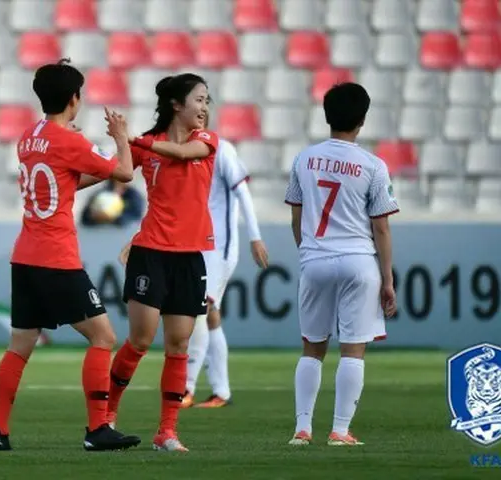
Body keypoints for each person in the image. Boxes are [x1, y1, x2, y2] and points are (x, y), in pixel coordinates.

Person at [0, 59, 141, 452]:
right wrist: (121, 137)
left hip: (24, 257)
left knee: (19, 346)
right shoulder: (71, 141)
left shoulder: (28, 137)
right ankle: (96, 430)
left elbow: (65, 179)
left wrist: (89, 160)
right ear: (75, 99)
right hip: (57, 257)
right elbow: (125, 174)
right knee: (103, 337)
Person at [106, 73, 218, 453]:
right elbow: (114, 170)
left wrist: (131, 139)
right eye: (199, 100)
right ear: (176, 104)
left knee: (178, 345)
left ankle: (166, 432)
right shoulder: (147, 148)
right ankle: (106, 417)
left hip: (189, 258)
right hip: (151, 252)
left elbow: (182, 154)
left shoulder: (206, 141)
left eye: (207, 101)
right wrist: (63, 181)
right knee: (140, 339)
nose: (204, 108)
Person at [284, 83, 398, 447]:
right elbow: (380, 226)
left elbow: (297, 218)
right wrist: (388, 279)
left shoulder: (304, 159)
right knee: (353, 348)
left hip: (315, 259)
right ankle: (339, 430)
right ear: (362, 120)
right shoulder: (373, 165)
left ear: (326, 116)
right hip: (358, 261)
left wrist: (309, 253)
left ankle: (302, 429)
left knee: (312, 348)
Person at [181, 111, 269, 409]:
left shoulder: (222, 149)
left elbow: (242, 192)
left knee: (198, 310)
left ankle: (186, 388)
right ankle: (221, 391)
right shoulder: (185, 151)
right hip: (199, 243)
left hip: (219, 247)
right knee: (211, 315)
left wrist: (254, 236)